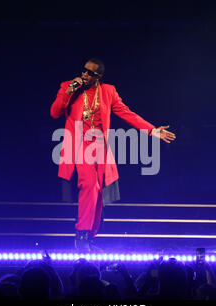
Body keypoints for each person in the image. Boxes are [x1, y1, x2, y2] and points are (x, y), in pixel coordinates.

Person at [50, 58, 176, 251]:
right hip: (79, 144)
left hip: (100, 145)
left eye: (90, 73)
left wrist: (152, 130)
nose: (85, 74)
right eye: (84, 70)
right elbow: (55, 112)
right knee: (89, 185)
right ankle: (81, 233)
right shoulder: (69, 87)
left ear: (98, 77)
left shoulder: (108, 91)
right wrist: (68, 92)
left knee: (99, 190)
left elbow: (127, 113)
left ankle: (90, 236)